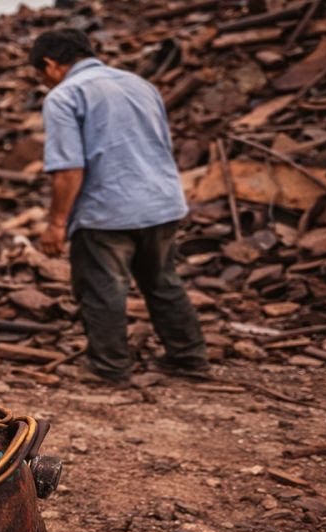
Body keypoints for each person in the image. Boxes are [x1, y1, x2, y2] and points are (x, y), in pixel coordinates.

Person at [30, 28, 208, 384]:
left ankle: (108, 367)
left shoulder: (66, 96)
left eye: (40, 74)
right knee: (163, 282)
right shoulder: (139, 85)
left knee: (102, 288)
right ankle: (189, 359)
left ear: (50, 64)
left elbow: (67, 170)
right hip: (161, 202)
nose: (44, 82)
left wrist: (56, 223)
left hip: (108, 210)